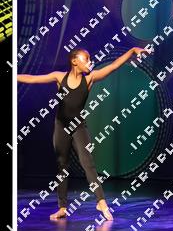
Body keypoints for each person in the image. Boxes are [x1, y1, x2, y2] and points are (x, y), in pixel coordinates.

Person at [18, 46, 150, 221]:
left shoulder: (90, 78)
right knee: (62, 165)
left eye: (90, 59)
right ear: (74, 61)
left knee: (88, 163)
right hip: (61, 126)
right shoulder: (60, 77)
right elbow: (33, 79)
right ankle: (62, 208)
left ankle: (101, 202)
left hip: (79, 126)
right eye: (86, 59)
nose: (90, 62)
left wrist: (132, 51)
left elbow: (114, 66)